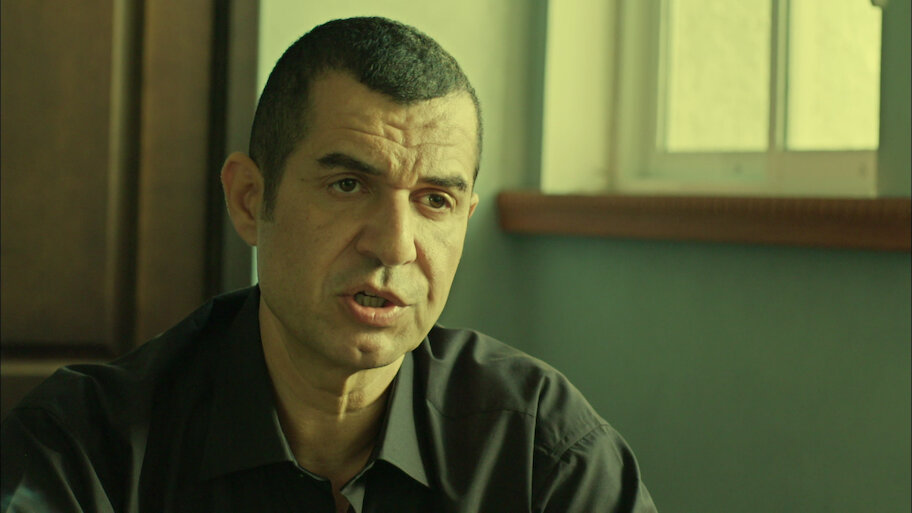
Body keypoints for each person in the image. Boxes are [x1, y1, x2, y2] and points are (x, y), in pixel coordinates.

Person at [1, 17, 657, 513]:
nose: (395, 246)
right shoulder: (84, 448)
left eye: (435, 200)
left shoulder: (541, 451)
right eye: (348, 185)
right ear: (250, 199)